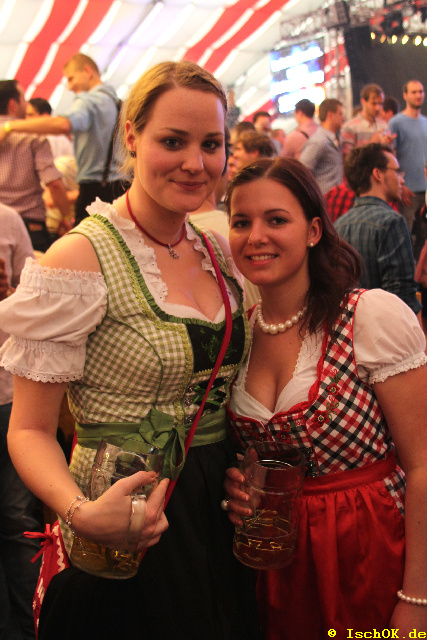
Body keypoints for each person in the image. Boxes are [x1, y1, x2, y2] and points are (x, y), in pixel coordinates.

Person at [0, 60, 260, 640]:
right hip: (119, 520)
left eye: (211, 144)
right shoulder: (79, 258)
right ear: (132, 137)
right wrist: (81, 512)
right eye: (173, 141)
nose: (195, 163)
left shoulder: (218, 251)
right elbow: (30, 430)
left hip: (215, 513)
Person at [223, 156, 427, 639]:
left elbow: (422, 465)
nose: (256, 237)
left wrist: (418, 598)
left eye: (276, 220)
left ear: (314, 231)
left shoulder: (368, 316)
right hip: (282, 567)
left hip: (370, 552)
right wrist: (240, 486)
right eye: (241, 222)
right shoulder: (239, 335)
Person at [0, 54, 124, 227]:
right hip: (121, 187)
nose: (70, 87)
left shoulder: (88, 101)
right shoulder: (117, 103)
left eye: (71, 78)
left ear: (87, 71)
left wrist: (9, 127)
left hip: (96, 190)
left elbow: (64, 124)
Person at [0, 203, 41, 640]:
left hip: (10, 396)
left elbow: (34, 307)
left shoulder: (8, 220)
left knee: (17, 519)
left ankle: (32, 626)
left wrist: (9, 293)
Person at [335, 143, 421, 316]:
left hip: (352, 327)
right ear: (378, 174)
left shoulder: (338, 226)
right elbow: (402, 299)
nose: (402, 180)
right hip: (387, 327)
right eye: (397, 171)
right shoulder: (392, 222)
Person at [0, 80, 71, 252]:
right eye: (23, 99)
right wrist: (67, 217)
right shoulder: (32, 136)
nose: (26, 104)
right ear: (12, 104)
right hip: (30, 226)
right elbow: (54, 183)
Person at [389, 79, 427, 260]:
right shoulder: (396, 122)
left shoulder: (425, 122)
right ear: (405, 95)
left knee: (424, 239)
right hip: (408, 191)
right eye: (414, 92)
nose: (418, 95)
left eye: (420, 91)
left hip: (425, 190)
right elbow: (391, 156)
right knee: (405, 237)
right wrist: (400, 185)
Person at [299, 98, 345, 194]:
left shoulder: (336, 137)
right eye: (340, 114)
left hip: (335, 196)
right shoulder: (318, 141)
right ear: (330, 115)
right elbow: (302, 171)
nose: (343, 118)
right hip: (324, 197)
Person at [341, 83, 395, 158]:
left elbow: (390, 157)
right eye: (374, 103)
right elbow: (347, 159)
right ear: (363, 101)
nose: (378, 108)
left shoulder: (384, 126)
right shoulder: (350, 127)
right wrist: (371, 144)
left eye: (380, 104)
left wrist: (388, 146)